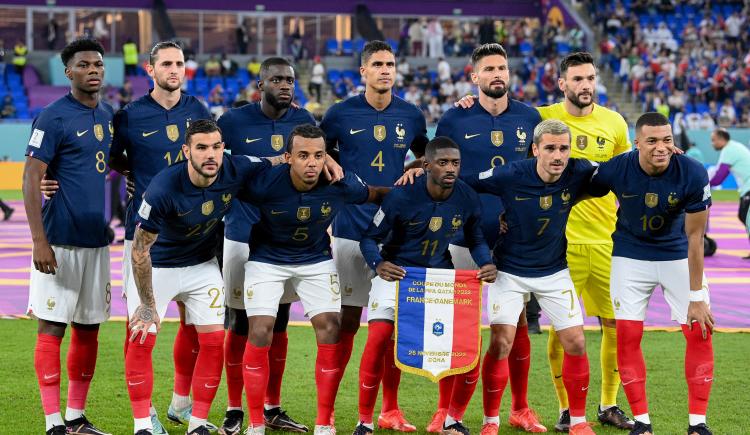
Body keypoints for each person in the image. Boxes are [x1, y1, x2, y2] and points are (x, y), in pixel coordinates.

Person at [126, 119, 276, 435]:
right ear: (186, 151)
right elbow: (140, 252)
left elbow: (277, 161)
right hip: (158, 266)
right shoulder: (164, 187)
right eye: (202, 147)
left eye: (216, 147)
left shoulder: (235, 168)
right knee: (141, 335)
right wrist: (148, 304)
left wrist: (322, 158)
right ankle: (142, 424)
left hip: (202, 265)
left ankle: (197, 423)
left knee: (212, 341)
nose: (211, 154)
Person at [238, 124, 390, 435]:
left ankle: (324, 422)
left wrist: (415, 183)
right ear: (288, 157)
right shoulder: (264, 182)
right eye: (303, 155)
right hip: (267, 260)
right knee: (261, 330)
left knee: (331, 327)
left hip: (315, 260)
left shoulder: (340, 183)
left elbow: (376, 193)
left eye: (319, 155)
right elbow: (224, 184)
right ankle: (255, 423)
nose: (312, 163)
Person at [430, 43, 543, 433]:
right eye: (489, 69)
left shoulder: (531, 118)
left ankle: (520, 408)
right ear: (473, 76)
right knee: (456, 325)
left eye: (503, 68)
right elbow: (440, 177)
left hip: (516, 238)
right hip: (463, 237)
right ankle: (445, 410)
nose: (498, 74)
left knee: (517, 326)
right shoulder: (453, 119)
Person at [462, 119, 599, 435]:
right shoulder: (510, 174)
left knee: (576, 342)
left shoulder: (579, 171)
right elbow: (465, 181)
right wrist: (421, 171)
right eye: (550, 148)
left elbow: (618, 172)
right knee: (501, 343)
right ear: (535, 149)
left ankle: (578, 422)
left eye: (563, 148)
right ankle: (490, 421)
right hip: (508, 271)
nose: (557, 155)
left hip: (554, 271)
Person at [319, 39, 428, 431]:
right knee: (346, 322)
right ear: (362, 71)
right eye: (378, 64)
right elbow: (315, 150)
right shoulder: (339, 114)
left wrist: (419, 165)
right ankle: (327, 411)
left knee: (391, 325)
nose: (385, 70)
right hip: (350, 228)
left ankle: (390, 410)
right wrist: (331, 162)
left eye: (391, 64)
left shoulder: (411, 115)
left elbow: (430, 153)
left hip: (395, 234)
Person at [355, 137, 497, 435]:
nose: (450, 169)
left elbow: (476, 239)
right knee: (379, 337)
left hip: (439, 275)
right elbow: (369, 238)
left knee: (458, 344)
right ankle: (365, 421)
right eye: (443, 162)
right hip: (397, 274)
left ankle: (448, 419)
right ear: (426, 164)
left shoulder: (467, 197)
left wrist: (485, 262)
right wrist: (378, 265)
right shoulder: (401, 196)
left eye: (455, 163)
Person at [587, 112, 714, 435]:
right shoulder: (617, 168)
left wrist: (697, 297)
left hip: (676, 256)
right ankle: (642, 423)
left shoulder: (692, 172)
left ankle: (697, 424)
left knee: (700, 329)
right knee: (627, 335)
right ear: (637, 143)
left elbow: (696, 237)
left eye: (667, 140)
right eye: (653, 141)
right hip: (629, 257)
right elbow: (576, 186)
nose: (661, 147)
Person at [110, 41, 213, 433]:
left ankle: (181, 404)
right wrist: (130, 171)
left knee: (195, 324)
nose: (174, 69)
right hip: (145, 234)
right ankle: (144, 413)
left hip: (193, 233)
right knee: (141, 324)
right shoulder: (129, 116)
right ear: (150, 70)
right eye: (166, 64)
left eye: (180, 63)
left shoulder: (197, 110)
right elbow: (111, 155)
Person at [217, 56, 318, 435]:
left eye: (289, 79)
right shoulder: (233, 121)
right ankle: (234, 408)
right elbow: (211, 162)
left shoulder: (304, 120)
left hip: (287, 239)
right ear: (259, 86)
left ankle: (272, 407)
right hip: (242, 234)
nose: (285, 85)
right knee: (240, 323)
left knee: (278, 324)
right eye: (276, 79)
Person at [536, 52, 633, 431]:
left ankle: (608, 404)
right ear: (562, 83)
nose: (586, 85)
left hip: (608, 242)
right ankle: (565, 409)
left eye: (590, 78)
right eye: (577, 79)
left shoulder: (614, 122)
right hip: (559, 246)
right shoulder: (542, 119)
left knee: (615, 325)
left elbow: (629, 175)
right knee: (563, 329)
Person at [22, 38, 113, 435]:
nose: (93, 70)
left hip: (97, 240)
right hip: (58, 241)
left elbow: (111, 159)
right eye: (84, 65)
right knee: (52, 327)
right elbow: (30, 175)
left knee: (89, 327)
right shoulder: (53, 117)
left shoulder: (109, 114)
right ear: (68, 72)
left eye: (98, 64)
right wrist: (38, 240)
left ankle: (76, 416)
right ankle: (52, 421)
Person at [709, 128, 750, 258]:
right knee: (744, 216)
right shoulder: (733, 147)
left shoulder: (729, 150)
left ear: (722, 139)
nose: (712, 143)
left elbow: (720, 175)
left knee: (744, 215)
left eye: (713, 140)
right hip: (747, 187)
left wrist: (706, 184)